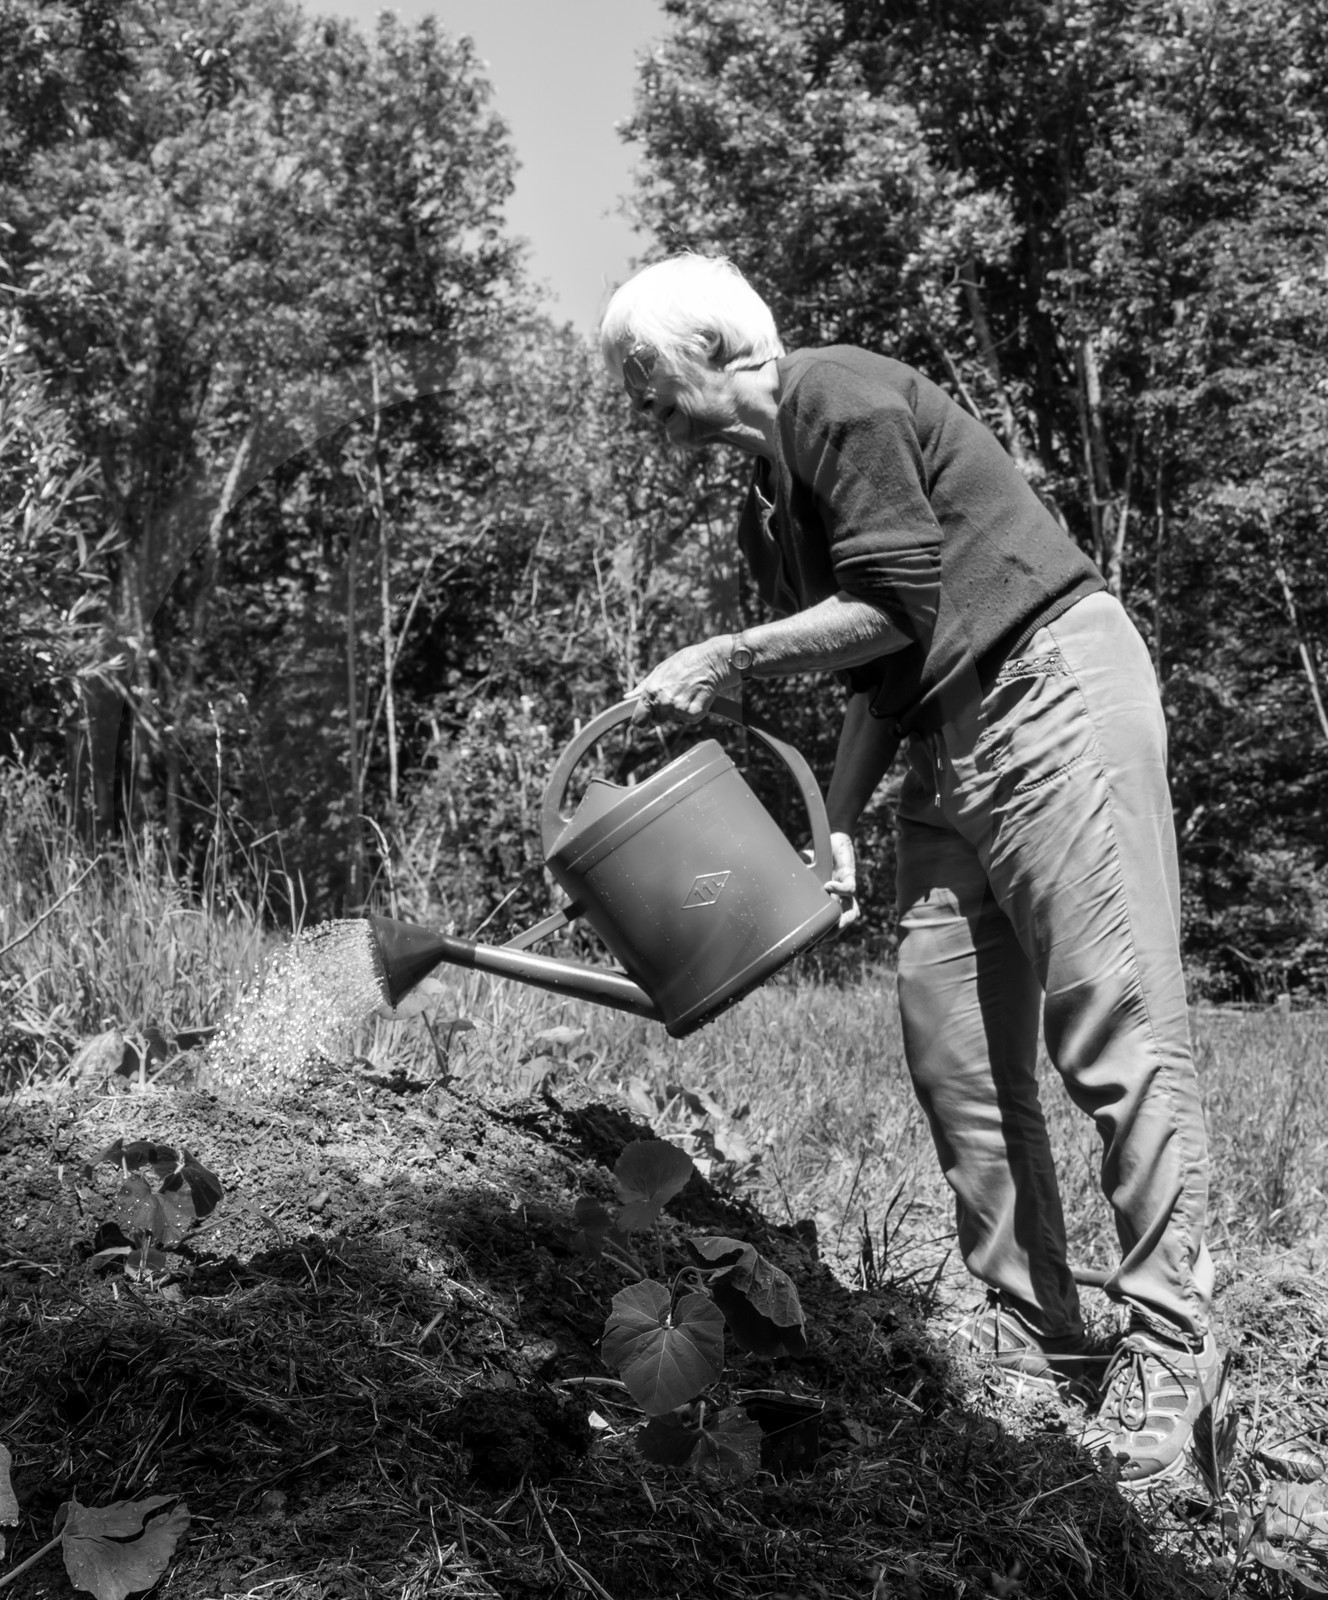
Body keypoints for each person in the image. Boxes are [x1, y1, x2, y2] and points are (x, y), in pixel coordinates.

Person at [598, 252, 1221, 1486]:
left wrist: (724, 655)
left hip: (1051, 694)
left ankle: (1174, 1348)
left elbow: (896, 598)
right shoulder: (767, 509)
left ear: (713, 345)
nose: (636, 402)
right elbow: (879, 673)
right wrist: (826, 829)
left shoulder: (836, 393)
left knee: (1112, 1028)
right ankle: (1036, 1340)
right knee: (955, 1055)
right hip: (944, 742)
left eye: (640, 372)